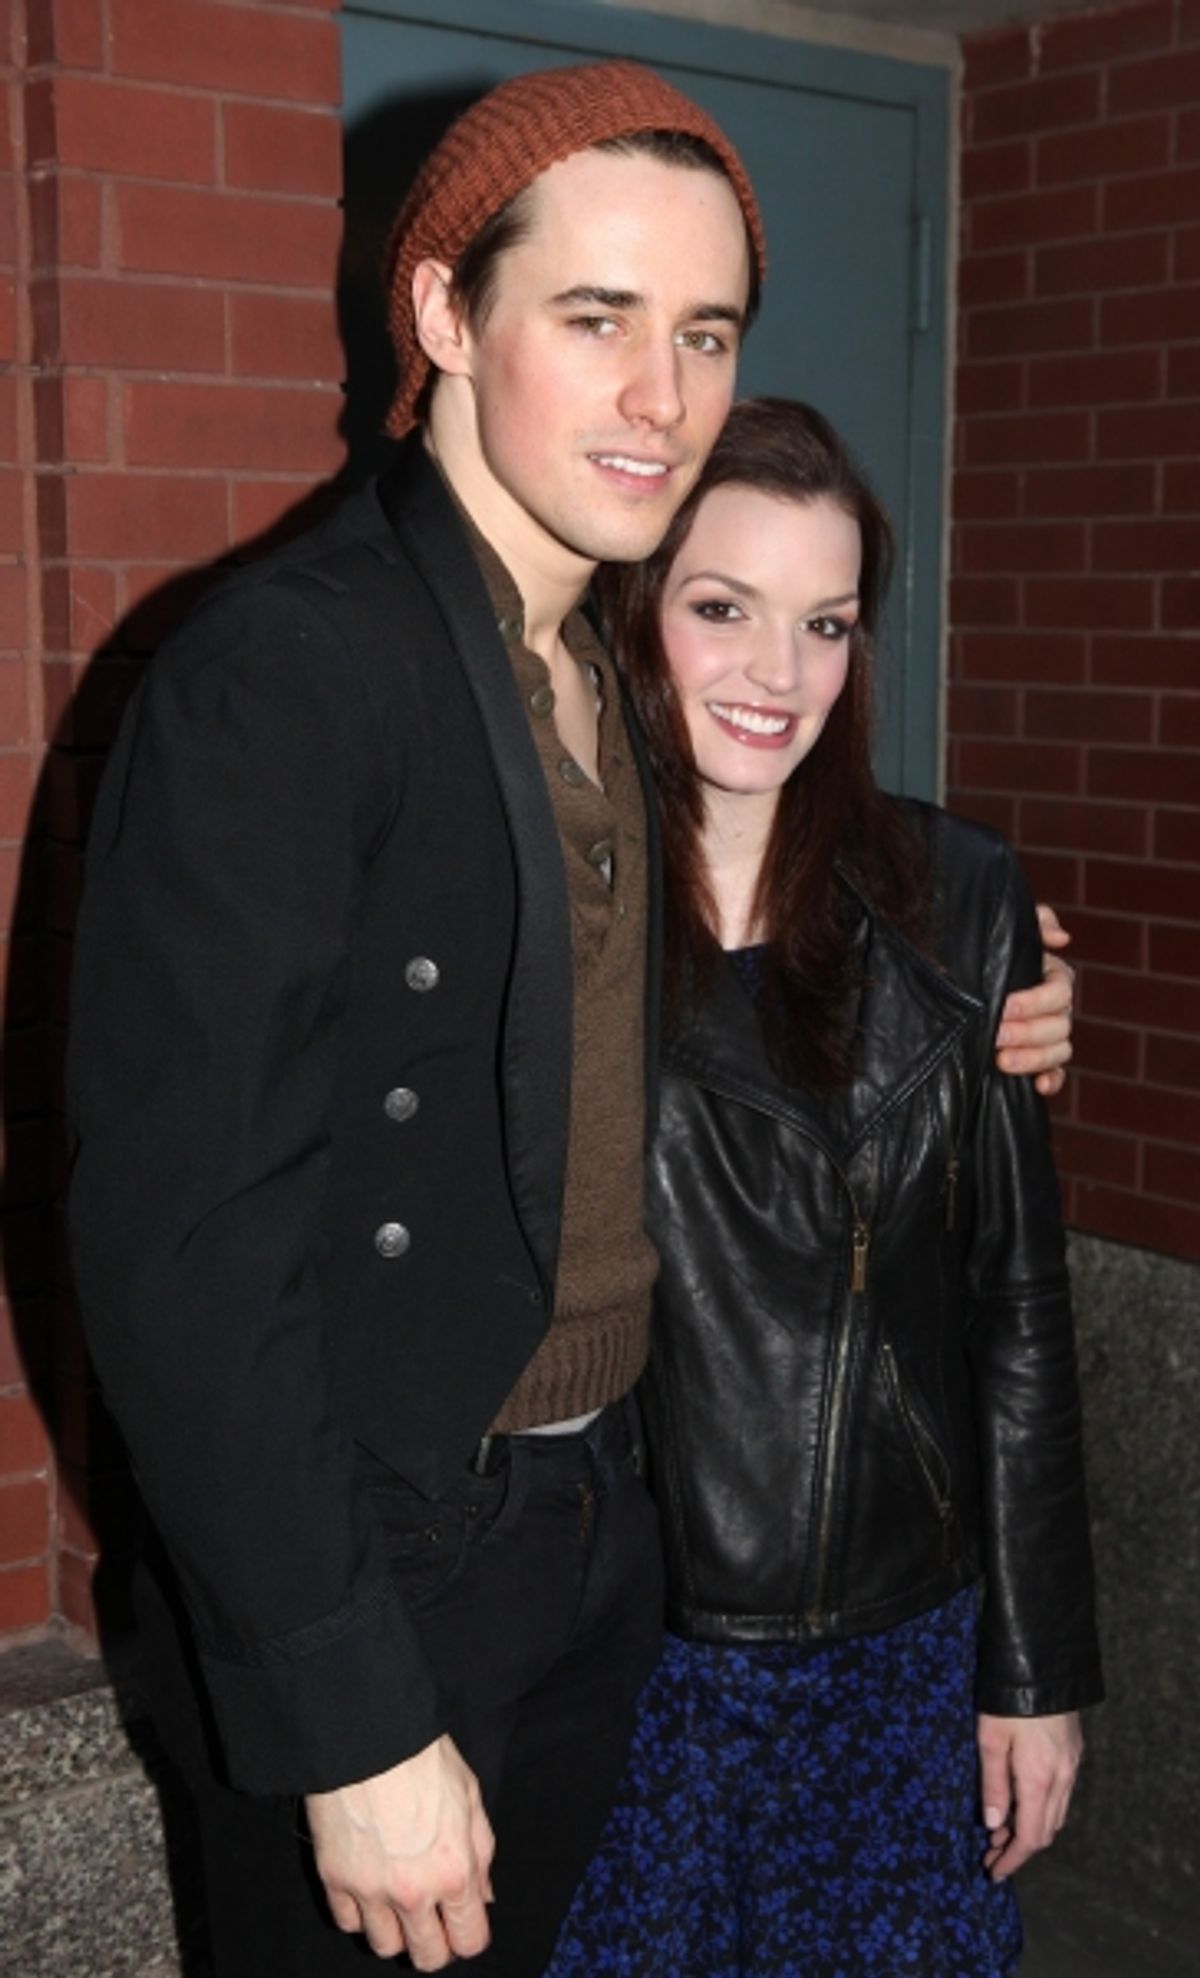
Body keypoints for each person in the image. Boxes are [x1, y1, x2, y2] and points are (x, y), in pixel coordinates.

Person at [65, 62, 1073, 1978]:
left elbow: (791, 913)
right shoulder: (293, 673)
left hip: (605, 1530)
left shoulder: (596, 667)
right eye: (593, 319)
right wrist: (342, 1698)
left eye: (701, 333)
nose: (658, 398)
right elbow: (180, 1244)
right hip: (392, 1555)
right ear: (445, 313)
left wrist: (1011, 988)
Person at [546, 399, 1102, 1978]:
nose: (774, 678)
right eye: (723, 609)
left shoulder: (959, 903)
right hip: (629, 1657)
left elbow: (1019, 1310)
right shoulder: (546, 901)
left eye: (826, 625)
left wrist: (1038, 1665)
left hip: (903, 1658)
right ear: (637, 609)